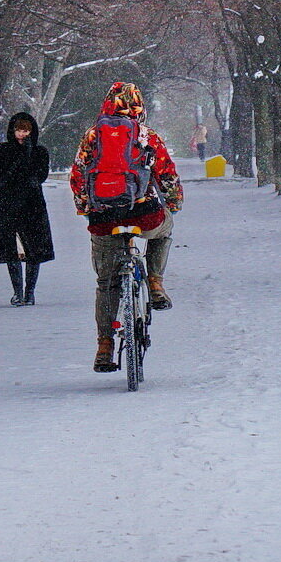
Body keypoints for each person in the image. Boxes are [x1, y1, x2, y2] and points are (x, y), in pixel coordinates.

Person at [70, 82, 183, 373]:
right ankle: (155, 283)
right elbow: (166, 173)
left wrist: (86, 207)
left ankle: (105, 346)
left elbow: (78, 176)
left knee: (106, 283)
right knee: (165, 228)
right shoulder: (146, 135)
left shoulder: (93, 135)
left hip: (105, 217)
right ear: (138, 107)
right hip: (143, 213)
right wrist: (173, 201)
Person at [0, 112, 55, 306]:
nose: (22, 134)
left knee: (34, 251)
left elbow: (39, 176)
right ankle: (17, 292)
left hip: (32, 207)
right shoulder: (2, 150)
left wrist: (27, 156)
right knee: (12, 250)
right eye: (19, 130)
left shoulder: (39, 151)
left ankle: (29, 292)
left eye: (26, 130)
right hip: (8, 205)